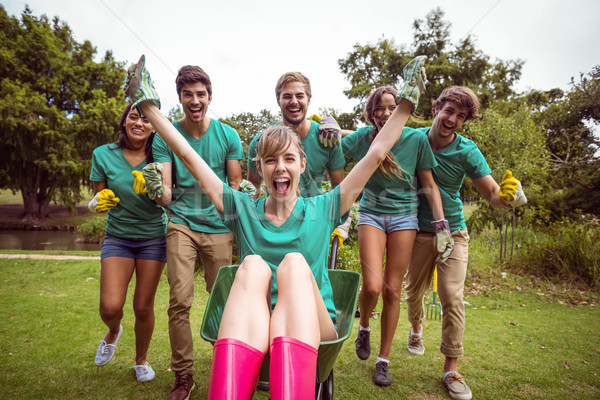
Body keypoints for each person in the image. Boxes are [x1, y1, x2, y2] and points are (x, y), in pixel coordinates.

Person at [123, 54, 426, 399]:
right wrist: (147, 107)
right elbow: (190, 158)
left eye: (288, 159)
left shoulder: (324, 207)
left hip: (316, 323)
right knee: (250, 266)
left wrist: (406, 103)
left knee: (294, 265)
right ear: (261, 168)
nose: (279, 167)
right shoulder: (242, 209)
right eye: (270, 160)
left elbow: (374, 154)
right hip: (255, 321)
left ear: (302, 164)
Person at [403, 86, 527, 400]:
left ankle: (451, 368)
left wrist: (510, 196)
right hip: (418, 232)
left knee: (451, 297)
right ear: (436, 108)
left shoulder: (467, 151)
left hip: (454, 233)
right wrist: (336, 130)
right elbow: (374, 137)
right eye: (449, 110)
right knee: (413, 291)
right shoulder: (413, 138)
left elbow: (493, 196)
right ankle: (416, 328)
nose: (452, 119)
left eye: (460, 116)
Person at [141, 64, 244, 399]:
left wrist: (244, 203)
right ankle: (183, 375)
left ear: (209, 97)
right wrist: (157, 190)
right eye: (188, 95)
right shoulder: (165, 137)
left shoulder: (227, 136)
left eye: (201, 94)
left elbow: (234, 185)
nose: (195, 100)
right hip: (181, 224)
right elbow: (167, 194)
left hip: (218, 227)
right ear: (180, 98)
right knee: (179, 301)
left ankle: (225, 366)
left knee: (223, 301)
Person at [340, 86, 450, 387]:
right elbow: (334, 146)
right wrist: (327, 127)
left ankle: (383, 361)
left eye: (392, 107)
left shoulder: (416, 139)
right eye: (379, 107)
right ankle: (363, 327)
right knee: (373, 286)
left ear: (402, 109)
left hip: (405, 218)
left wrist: (441, 223)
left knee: (392, 290)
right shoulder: (363, 138)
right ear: (371, 111)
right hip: (372, 215)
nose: (386, 113)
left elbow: (429, 182)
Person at [89, 104, 167, 383]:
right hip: (118, 237)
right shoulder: (103, 154)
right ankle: (113, 331)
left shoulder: (160, 157)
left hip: (153, 238)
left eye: (147, 119)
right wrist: (96, 204)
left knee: (143, 308)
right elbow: (100, 198)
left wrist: (155, 191)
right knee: (110, 307)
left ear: (155, 127)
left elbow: (170, 198)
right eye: (133, 117)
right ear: (124, 122)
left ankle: (141, 360)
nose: (139, 123)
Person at [246, 71, 346, 199]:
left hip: (314, 215)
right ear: (278, 100)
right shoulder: (260, 142)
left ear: (308, 99)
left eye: (300, 96)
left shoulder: (327, 137)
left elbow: (338, 189)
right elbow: (254, 186)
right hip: (274, 215)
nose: (294, 101)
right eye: (287, 96)